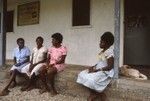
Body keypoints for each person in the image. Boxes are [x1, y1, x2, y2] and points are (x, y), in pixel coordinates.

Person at [76, 32, 114, 101]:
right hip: (98, 69)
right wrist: (93, 67)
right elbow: (101, 62)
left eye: (101, 42)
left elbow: (110, 66)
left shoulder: (109, 52)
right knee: (81, 74)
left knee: (90, 79)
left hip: (105, 71)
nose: (99, 43)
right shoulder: (102, 51)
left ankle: (97, 94)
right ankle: (98, 94)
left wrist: (96, 70)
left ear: (107, 43)